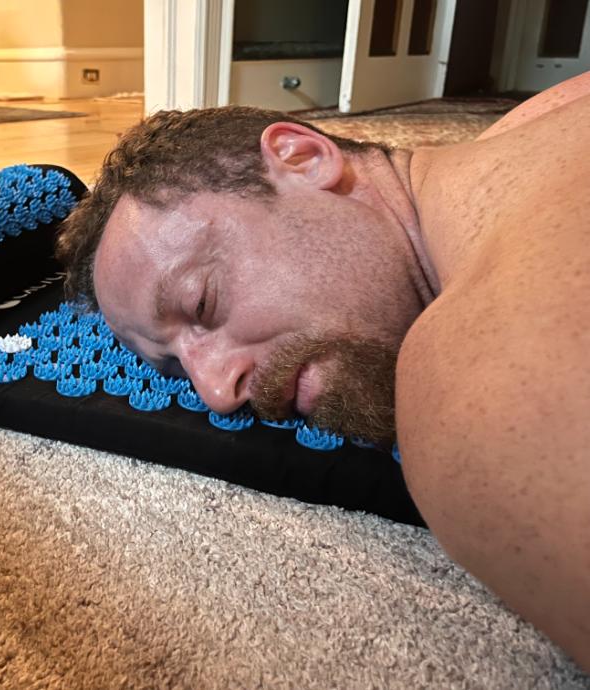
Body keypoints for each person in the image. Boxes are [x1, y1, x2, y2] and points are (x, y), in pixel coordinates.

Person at [55, 71, 590, 672]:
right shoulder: (547, 112)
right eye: (176, 367)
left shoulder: (479, 382)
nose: (215, 392)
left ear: (304, 157)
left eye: (202, 302)